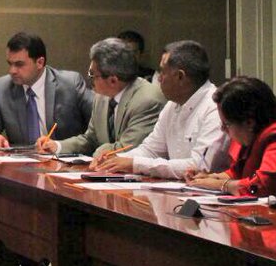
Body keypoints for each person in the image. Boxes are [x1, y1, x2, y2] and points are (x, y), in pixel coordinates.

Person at [94, 40, 230, 177]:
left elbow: (200, 166)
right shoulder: (172, 105)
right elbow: (151, 150)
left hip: (206, 189)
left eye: (163, 72)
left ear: (180, 76)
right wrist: (116, 159)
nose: (158, 79)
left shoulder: (215, 108)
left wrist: (135, 164)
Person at [190, 76, 276, 210]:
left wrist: (221, 185)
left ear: (249, 122)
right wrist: (209, 177)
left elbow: (261, 187)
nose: (223, 130)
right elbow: (238, 171)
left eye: (226, 124)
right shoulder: (253, 134)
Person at [36, 38, 164, 158]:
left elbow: (127, 149)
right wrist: (57, 146)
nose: (89, 79)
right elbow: (91, 139)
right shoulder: (101, 97)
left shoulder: (148, 100)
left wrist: (98, 153)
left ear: (113, 80)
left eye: (93, 75)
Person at [0, 32, 94, 150]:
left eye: (19, 64)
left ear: (40, 63)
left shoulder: (70, 84)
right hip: (21, 160)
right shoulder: (1, 88)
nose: (12, 71)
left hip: (63, 157)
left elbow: (97, 125)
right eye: (10, 64)